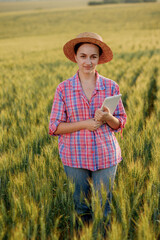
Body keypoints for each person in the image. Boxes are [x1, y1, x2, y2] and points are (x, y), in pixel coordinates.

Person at [49, 32, 127, 229]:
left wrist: (108, 117)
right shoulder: (63, 89)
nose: (88, 62)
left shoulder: (110, 86)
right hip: (75, 156)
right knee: (80, 207)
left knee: (103, 207)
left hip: (106, 154)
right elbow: (55, 127)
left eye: (93, 57)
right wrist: (85, 123)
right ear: (75, 57)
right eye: (83, 56)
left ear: (99, 58)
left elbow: (120, 123)